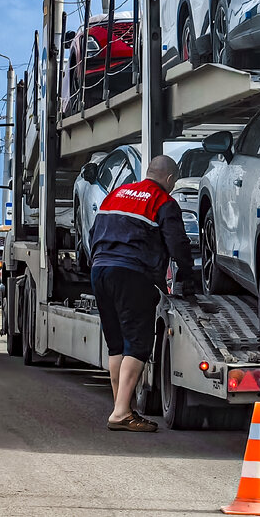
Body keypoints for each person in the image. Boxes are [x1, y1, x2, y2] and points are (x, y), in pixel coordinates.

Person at [89, 154, 196, 432]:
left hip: (100, 270)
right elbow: (178, 244)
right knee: (137, 343)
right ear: (170, 179)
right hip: (132, 274)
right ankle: (121, 413)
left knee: (117, 344)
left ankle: (121, 407)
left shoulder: (116, 194)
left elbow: (93, 233)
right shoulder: (163, 202)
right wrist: (188, 278)